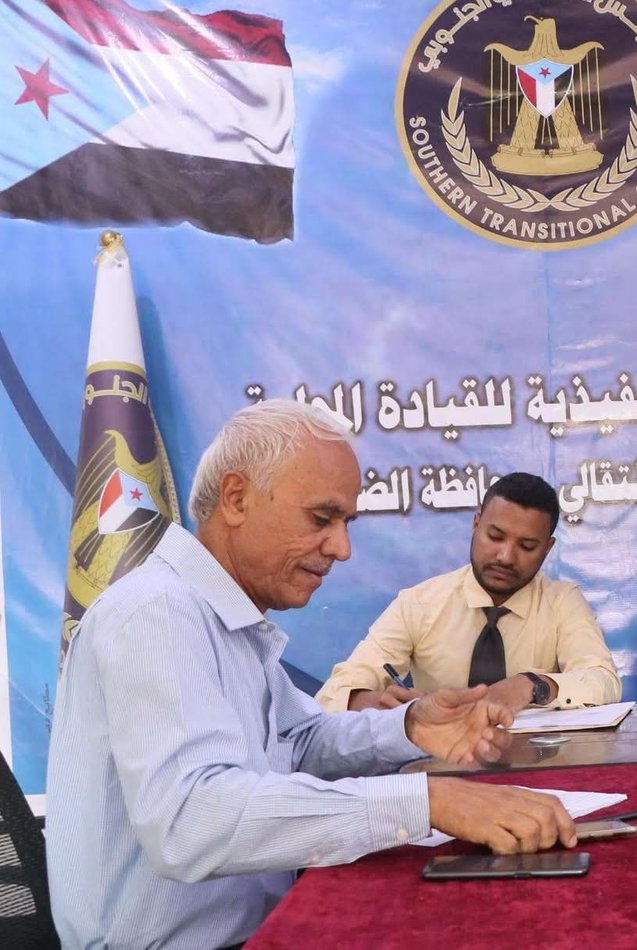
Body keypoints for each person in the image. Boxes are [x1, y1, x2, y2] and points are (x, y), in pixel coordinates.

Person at [47, 400, 577, 948]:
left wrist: (410, 728)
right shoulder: (157, 613)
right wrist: (428, 802)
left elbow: (296, 745)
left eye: (345, 523)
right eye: (322, 519)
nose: (341, 549)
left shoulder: (224, 616)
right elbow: (190, 819)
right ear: (237, 498)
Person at [316, 472, 620, 715]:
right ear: (476, 525)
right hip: (437, 763)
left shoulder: (562, 602)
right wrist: (385, 708)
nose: (506, 557)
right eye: (495, 536)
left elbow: (603, 681)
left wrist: (532, 685)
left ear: (548, 548)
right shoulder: (419, 604)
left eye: (527, 546)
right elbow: (335, 692)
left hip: (538, 763)